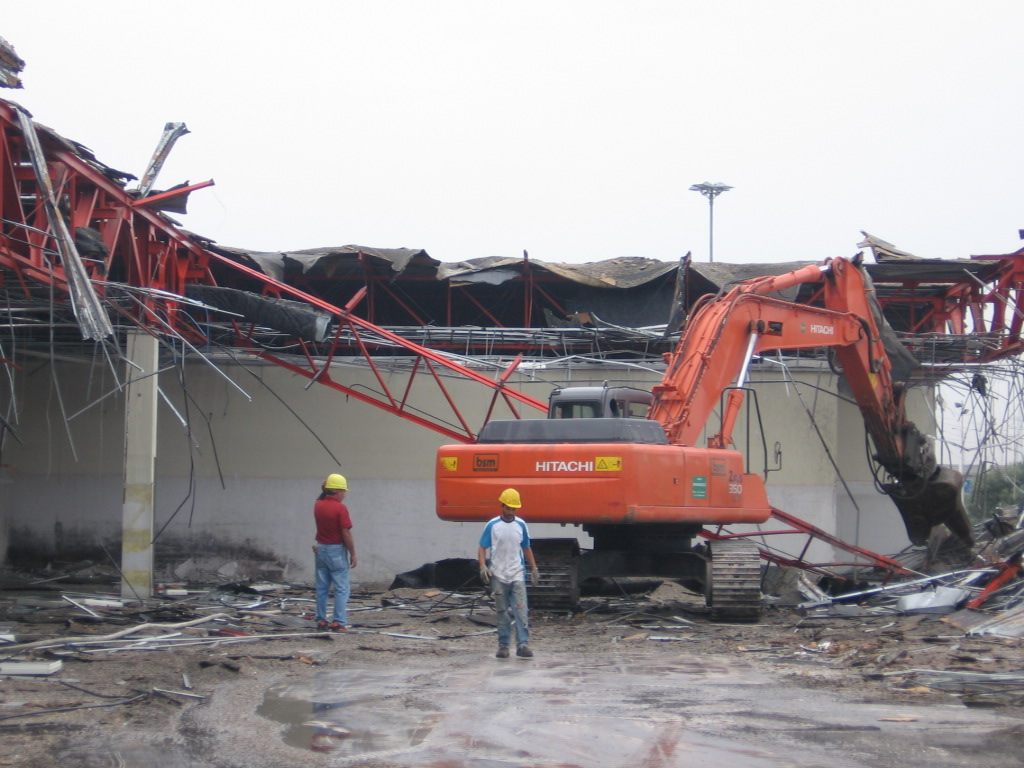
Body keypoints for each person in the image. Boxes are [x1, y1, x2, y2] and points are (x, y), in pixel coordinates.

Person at [478, 488, 539, 659]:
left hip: (517, 573)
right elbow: (483, 547)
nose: (511, 512)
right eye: (509, 508)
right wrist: (483, 566)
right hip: (498, 575)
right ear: (502, 506)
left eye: (514, 509)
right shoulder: (492, 526)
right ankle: (503, 645)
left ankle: (523, 644)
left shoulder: (520, 525)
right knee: (502, 611)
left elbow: (526, 547)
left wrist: (534, 568)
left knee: (521, 610)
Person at [312, 473, 357, 632]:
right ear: (337, 491)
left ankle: (322, 620)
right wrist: (353, 553)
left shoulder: (318, 505)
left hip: (321, 549)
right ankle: (338, 622)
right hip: (336, 550)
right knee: (341, 588)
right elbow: (345, 532)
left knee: (322, 587)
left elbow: (321, 498)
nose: (344, 495)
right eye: (343, 491)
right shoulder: (340, 508)